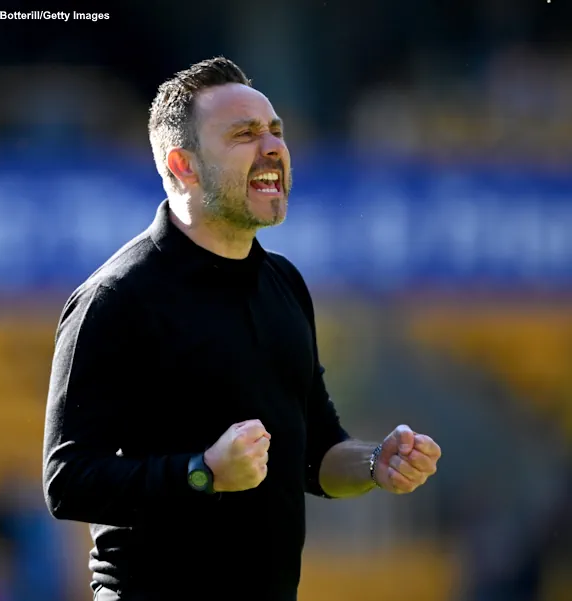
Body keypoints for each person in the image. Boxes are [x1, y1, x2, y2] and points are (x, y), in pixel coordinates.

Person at [42, 56, 441, 601]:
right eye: (244, 134)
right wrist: (202, 472)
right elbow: (67, 483)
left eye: (276, 130)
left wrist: (375, 463)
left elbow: (317, 456)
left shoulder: (285, 284)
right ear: (183, 165)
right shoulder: (116, 298)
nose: (273, 147)